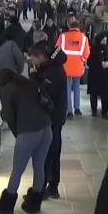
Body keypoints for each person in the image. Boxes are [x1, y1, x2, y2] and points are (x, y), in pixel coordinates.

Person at [0, 69, 53, 214]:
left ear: (1, 82)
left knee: (17, 170)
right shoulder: (27, 83)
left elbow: (9, 116)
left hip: (29, 132)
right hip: (46, 129)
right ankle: (34, 204)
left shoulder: (7, 90)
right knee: (39, 167)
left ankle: (6, 205)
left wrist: (18, 134)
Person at [28, 41, 68, 199]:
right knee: (51, 150)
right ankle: (49, 186)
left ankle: (44, 187)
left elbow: (44, 95)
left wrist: (34, 78)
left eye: (34, 59)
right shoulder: (49, 68)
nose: (33, 62)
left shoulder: (53, 72)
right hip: (53, 116)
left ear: (42, 57)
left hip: (53, 117)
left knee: (49, 152)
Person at [56, 20, 90, 118]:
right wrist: (82, 60)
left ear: (69, 26)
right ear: (79, 27)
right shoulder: (83, 38)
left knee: (67, 88)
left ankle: (69, 111)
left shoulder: (63, 36)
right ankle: (77, 108)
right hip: (78, 67)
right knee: (76, 87)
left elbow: (57, 50)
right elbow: (86, 53)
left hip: (65, 67)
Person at [86, 32, 108, 118]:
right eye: (103, 40)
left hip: (104, 76)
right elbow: (89, 62)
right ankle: (94, 111)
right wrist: (99, 64)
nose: (105, 42)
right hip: (95, 75)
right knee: (94, 94)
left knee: (105, 95)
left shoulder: (107, 49)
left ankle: (104, 112)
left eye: (106, 40)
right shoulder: (93, 49)